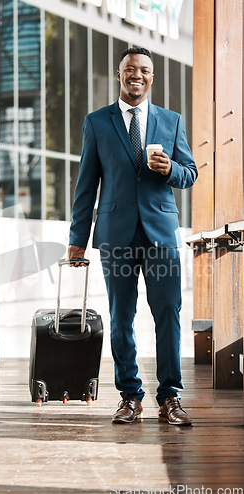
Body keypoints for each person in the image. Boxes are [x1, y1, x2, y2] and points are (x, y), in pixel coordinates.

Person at [68, 47, 198, 426]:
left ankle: (170, 397)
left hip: (160, 234)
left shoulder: (171, 121)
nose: (136, 75)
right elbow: (85, 185)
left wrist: (170, 167)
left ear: (151, 77)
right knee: (121, 316)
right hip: (115, 234)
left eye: (143, 70)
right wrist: (78, 238)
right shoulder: (97, 122)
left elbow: (189, 173)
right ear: (119, 74)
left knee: (168, 315)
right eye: (130, 69)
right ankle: (129, 396)